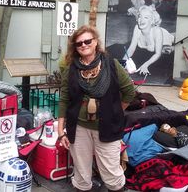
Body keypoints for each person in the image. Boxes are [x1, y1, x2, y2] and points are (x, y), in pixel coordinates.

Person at [57, 25, 135, 192]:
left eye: (87, 41)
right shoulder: (71, 69)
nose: (83, 45)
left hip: (107, 127)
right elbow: (64, 99)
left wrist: (115, 110)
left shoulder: (111, 65)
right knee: (81, 172)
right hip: (78, 127)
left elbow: (129, 91)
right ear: (75, 47)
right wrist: (60, 131)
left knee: (111, 173)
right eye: (79, 43)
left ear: (95, 42)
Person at [123, 5, 174, 76]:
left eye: (146, 17)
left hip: (165, 36)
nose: (142, 20)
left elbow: (158, 54)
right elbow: (131, 48)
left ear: (152, 21)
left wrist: (145, 65)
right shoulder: (137, 28)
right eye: (140, 16)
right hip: (154, 40)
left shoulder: (157, 31)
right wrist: (123, 62)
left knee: (172, 41)